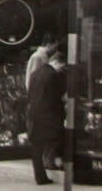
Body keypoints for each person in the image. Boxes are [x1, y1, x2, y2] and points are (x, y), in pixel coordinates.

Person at [27, 51, 67, 185]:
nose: (61, 69)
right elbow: (54, 98)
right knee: (58, 137)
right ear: (58, 62)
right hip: (48, 115)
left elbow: (30, 93)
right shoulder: (53, 75)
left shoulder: (35, 74)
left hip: (34, 114)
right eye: (61, 66)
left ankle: (40, 177)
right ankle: (51, 162)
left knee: (36, 148)